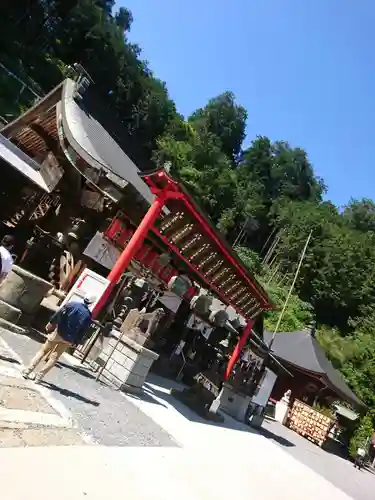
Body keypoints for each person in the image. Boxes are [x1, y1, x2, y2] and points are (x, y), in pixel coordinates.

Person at [22, 294, 94, 384]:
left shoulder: (71, 304)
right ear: (91, 303)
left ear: (84, 298)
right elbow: (83, 331)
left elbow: (59, 313)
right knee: (54, 358)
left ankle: (28, 371)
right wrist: (76, 341)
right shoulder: (88, 315)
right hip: (69, 338)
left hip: (59, 332)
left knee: (43, 351)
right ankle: (39, 377)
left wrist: (51, 322)